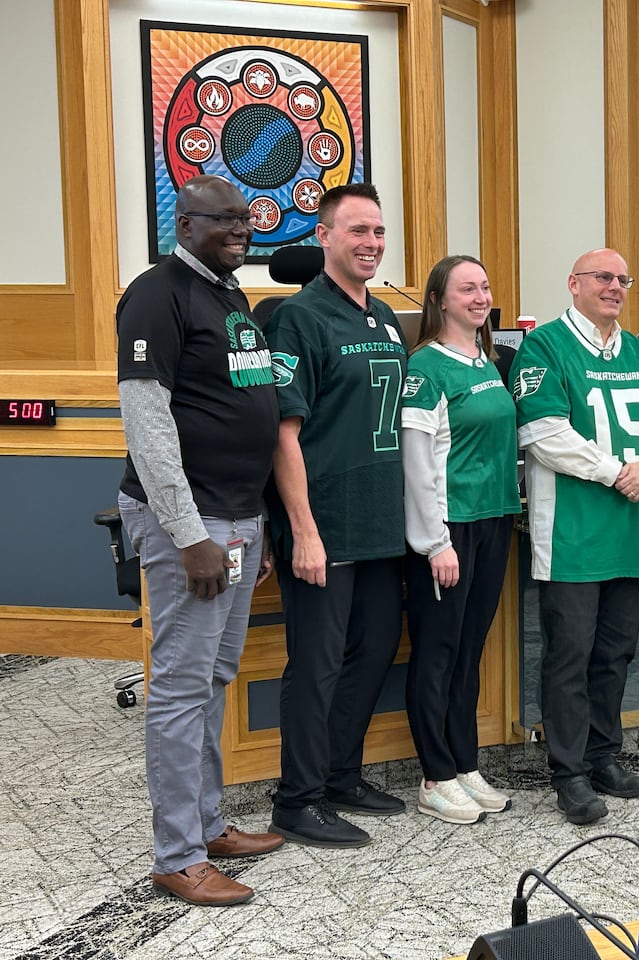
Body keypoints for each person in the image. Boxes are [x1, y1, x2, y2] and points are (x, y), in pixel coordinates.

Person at [117, 175, 283, 906]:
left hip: (238, 518)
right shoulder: (158, 293)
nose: (240, 230)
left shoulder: (230, 294)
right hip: (191, 524)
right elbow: (147, 422)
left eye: (246, 219)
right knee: (182, 689)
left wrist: (257, 523)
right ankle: (177, 854)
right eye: (224, 220)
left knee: (214, 678)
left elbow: (241, 404)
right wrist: (189, 534)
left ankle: (209, 823)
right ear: (184, 222)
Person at [511, 248, 639, 824]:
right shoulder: (545, 346)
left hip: (632, 527)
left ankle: (604, 754)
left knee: (616, 653)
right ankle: (568, 772)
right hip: (572, 532)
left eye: (622, 279)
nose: (614, 286)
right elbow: (543, 432)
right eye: (602, 277)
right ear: (573, 282)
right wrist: (617, 471)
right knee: (569, 655)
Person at [265, 183, 409, 847]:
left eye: (378, 231)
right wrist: (302, 531)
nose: (372, 243)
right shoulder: (299, 317)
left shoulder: (382, 317)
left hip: (382, 525)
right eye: (357, 231)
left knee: (372, 654)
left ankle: (342, 776)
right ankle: (296, 801)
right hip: (326, 525)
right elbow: (282, 433)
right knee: (316, 666)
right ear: (324, 236)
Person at [402, 255, 520, 824]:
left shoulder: (488, 361)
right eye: (466, 288)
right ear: (440, 300)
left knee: (470, 650)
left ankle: (464, 763)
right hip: (449, 530)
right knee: (438, 652)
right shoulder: (427, 367)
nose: (479, 296)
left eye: (485, 285)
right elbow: (417, 464)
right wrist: (435, 542)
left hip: (495, 520)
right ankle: (435, 775)